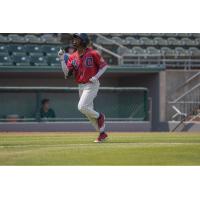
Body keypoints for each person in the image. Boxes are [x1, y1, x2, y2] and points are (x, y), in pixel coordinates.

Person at [58, 33, 108, 143]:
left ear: (83, 40)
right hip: (81, 85)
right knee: (87, 112)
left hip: (91, 84)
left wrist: (96, 76)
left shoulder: (93, 53)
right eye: (74, 38)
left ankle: (100, 116)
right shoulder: (72, 56)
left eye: (77, 38)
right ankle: (102, 133)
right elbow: (67, 74)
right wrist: (62, 60)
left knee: (81, 107)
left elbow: (104, 66)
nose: (74, 40)